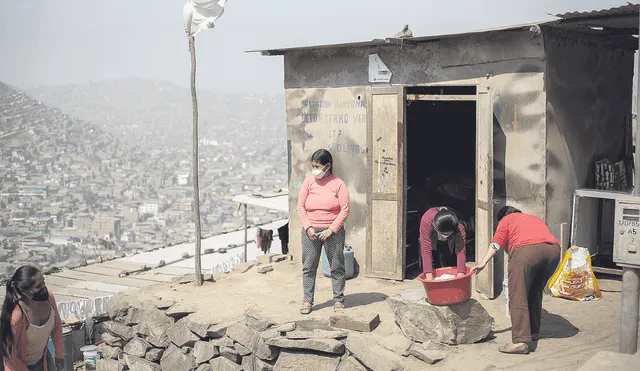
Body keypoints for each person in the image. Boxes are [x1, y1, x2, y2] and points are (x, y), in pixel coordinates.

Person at [472, 206, 561, 354]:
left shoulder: (506, 220)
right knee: (534, 292)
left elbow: (497, 242)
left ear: (501, 218)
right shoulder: (533, 218)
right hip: (553, 251)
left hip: (526, 251)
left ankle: (520, 341)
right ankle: (532, 332)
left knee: (517, 294)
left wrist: (484, 262)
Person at [297, 149, 350, 315]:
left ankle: (339, 300)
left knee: (337, 266)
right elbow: (300, 206)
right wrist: (308, 227)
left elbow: (345, 209)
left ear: (328, 166)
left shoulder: (338, 184)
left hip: (332, 232)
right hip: (310, 232)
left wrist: (331, 230)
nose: (315, 170)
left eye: (317, 166)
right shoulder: (308, 182)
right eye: (313, 166)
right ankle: (307, 300)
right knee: (309, 266)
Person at [1, 265, 65, 371]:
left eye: (43, 282)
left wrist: (59, 355)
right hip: (18, 366)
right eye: (38, 286)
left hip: (43, 357)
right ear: (25, 291)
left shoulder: (49, 299)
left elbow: (57, 327)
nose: (44, 288)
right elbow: (11, 357)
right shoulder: (17, 317)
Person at [419, 207, 467, 280]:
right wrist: (430, 282)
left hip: (450, 241)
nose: (445, 236)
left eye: (448, 234)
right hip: (433, 239)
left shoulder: (459, 225)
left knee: (450, 260)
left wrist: (459, 278)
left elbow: (461, 250)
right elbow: (426, 250)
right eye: (443, 233)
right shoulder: (427, 221)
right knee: (434, 262)